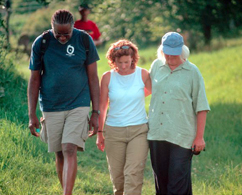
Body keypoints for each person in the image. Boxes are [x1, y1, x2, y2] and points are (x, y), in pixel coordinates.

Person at [27, 9, 100, 195]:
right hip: (51, 105)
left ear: (73, 27)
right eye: (57, 33)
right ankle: (65, 190)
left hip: (79, 102)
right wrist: (32, 114)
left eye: (66, 33)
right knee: (59, 152)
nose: (61, 37)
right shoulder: (41, 43)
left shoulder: (84, 40)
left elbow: (93, 78)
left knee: (69, 148)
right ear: (51, 28)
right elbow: (34, 80)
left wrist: (96, 112)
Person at [148, 31, 210, 195]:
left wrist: (199, 137)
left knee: (177, 184)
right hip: (157, 133)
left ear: (182, 50)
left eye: (174, 52)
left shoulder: (192, 72)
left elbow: (201, 106)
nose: (170, 56)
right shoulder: (156, 66)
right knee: (161, 183)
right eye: (167, 52)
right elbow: (146, 90)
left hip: (182, 136)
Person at [96, 39, 151, 195]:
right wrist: (100, 133)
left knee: (133, 173)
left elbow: (153, 91)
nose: (123, 66)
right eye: (119, 62)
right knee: (118, 177)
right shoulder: (107, 77)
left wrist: (135, 97)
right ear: (113, 61)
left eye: (126, 62)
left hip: (138, 130)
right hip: (114, 132)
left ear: (133, 58)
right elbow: (102, 106)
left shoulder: (143, 74)